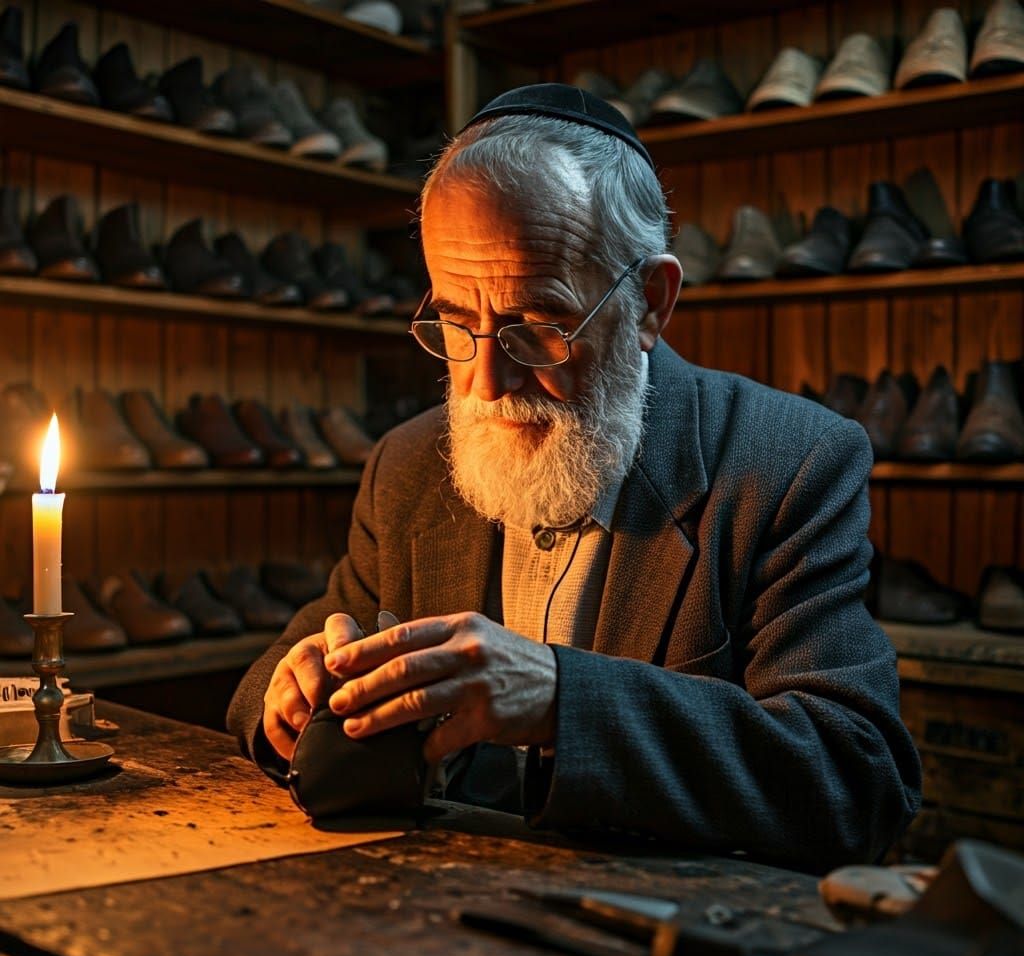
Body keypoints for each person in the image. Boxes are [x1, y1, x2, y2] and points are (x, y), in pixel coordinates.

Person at [228, 84, 921, 872]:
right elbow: (266, 679)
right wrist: (291, 699)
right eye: (457, 322)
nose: (486, 382)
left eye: (540, 325)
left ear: (651, 302)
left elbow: (856, 781)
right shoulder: (408, 464)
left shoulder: (789, 462)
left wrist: (564, 701)